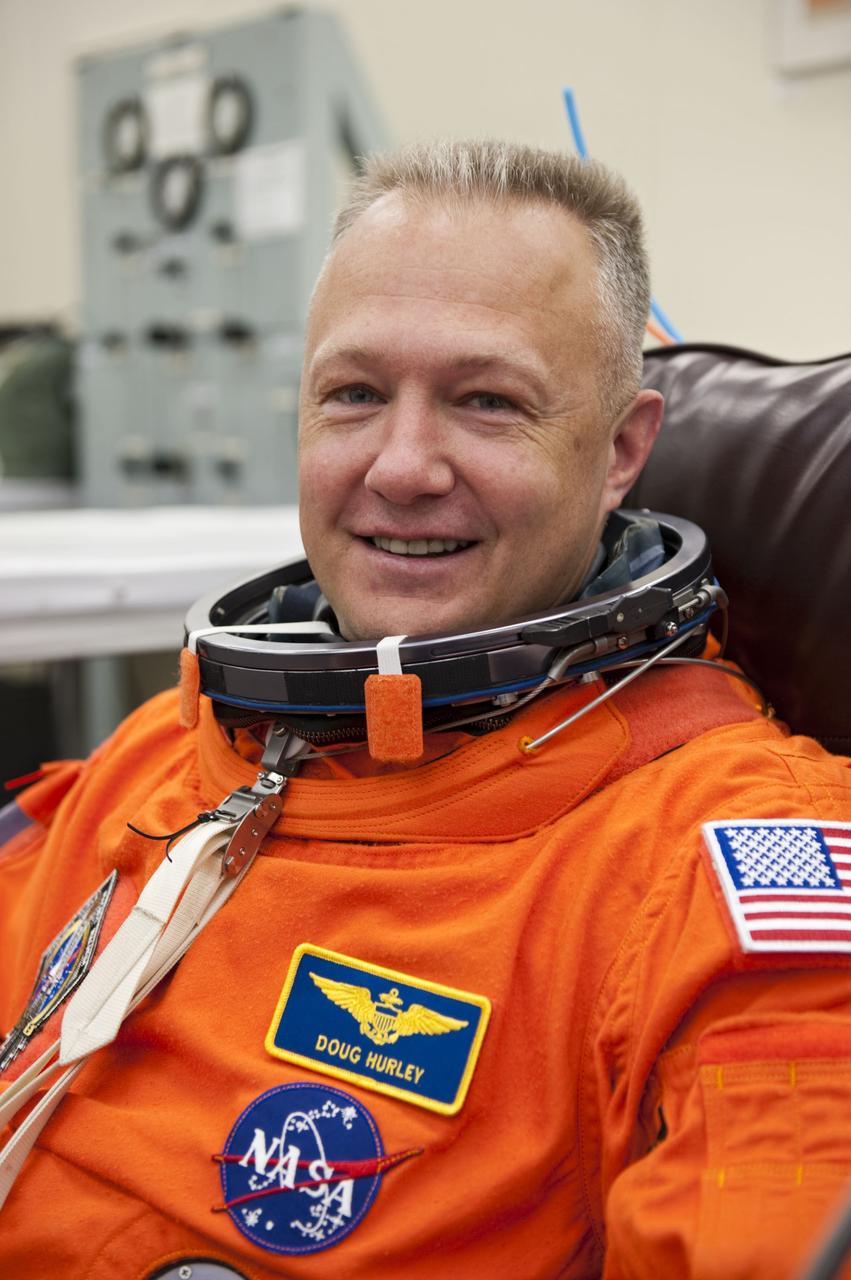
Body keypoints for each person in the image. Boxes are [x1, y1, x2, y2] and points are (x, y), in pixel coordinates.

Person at [1, 140, 850, 1280]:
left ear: (620, 452)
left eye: (485, 401)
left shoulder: (729, 864)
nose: (401, 466)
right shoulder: (179, 742)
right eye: (353, 394)